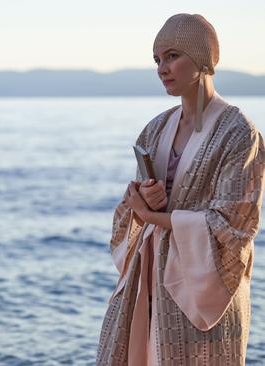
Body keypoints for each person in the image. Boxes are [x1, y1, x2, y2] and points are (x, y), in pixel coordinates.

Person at [96, 14, 264, 365]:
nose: (162, 68)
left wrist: (156, 216)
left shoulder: (239, 133)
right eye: (157, 60)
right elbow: (133, 209)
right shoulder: (155, 129)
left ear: (203, 58)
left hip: (202, 287)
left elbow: (234, 226)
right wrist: (140, 198)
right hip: (148, 277)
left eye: (172, 56)